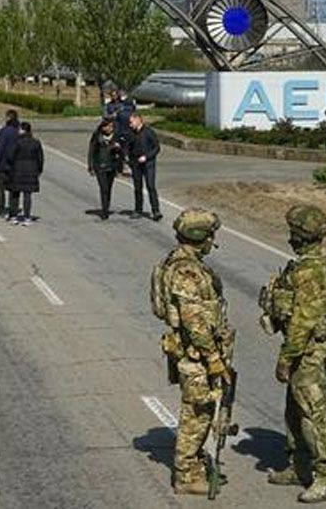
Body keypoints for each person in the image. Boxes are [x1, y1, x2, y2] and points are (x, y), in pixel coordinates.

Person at [258, 204, 326, 504]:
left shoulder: (311, 270)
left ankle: (325, 478)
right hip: (304, 349)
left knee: (313, 414)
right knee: (294, 412)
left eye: (294, 232)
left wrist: (285, 358)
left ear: (303, 235)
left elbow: (302, 322)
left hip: (307, 352)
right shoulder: (313, 262)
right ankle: (298, 466)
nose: (290, 237)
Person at [150, 208, 232, 496]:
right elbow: (194, 320)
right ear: (200, 237)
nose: (213, 241)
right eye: (210, 235)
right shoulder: (186, 270)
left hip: (193, 352)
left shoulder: (182, 262)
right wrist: (214, 359)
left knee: (202, 411)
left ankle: (194, 465)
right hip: (196, 355)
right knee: (196, 414)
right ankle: (185, 475)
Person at [3, 122, 45, 225]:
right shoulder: (36, 142)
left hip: (17, 170)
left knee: (15, 194)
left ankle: (14, 216)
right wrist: (39, 170)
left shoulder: (17, 142)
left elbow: (10, 156)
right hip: (31, 171)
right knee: (27, 195)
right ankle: (27, 217)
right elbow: (40, 158)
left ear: (23, 130)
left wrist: (9, 167)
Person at [87, 117, 123, 220]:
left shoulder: (116, 136)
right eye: (108, 126)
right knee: (104, 188)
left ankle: (107, 206)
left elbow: (121, 153)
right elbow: (91, 150)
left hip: (111, 166)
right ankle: (104, 210)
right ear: (103, 127)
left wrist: (118, 148)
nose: (110, 128)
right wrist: (91, 166)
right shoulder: (97, 135)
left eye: (112, 126)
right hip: (100, 166)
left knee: (109, 188)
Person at [128, 113, 162, 221]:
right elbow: (128, 147)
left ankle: (156, 211)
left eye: (131, 122)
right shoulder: (131, 134)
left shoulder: (149, 132)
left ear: (138, 120)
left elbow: (156, 148)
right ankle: (138, 210)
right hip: (135, 164)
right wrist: (127, 160)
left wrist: (146, 157)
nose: (130, 124)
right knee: (137, 188)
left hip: (148, 164)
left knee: (150, 186)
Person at [0, 110, 20, 217]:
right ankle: (14, 210)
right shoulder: (18, 132)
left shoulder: (4, 131)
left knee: (0, 188)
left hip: (3, 165)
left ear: (8, 118)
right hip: (14, 166)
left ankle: (0, 209)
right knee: (13, 189)